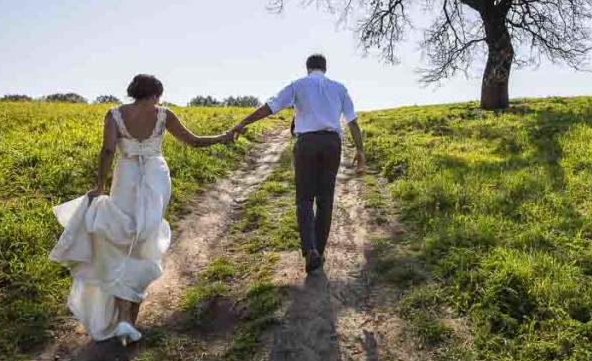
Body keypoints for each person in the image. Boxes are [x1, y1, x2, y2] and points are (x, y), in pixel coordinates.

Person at [49, 74, 234, 345]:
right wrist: (224, 137)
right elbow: (194, 141)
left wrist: (100, 185)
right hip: (156, 177)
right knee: (144, 238)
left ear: (133, 91)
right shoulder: (163, 114)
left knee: (124, 237)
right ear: (157, 93)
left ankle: (124, 319)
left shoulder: (114, 114)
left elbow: (108, 150)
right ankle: (127, 320)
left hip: (126, 176)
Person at [231, 54, 364, 274]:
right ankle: (319, 252)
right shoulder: (339, 88)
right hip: (332, 144)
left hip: (307, 143)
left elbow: (270, 106)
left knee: (304, 198)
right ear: (325, 68)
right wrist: (359, 150)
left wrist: (243, 122)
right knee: (325, 199)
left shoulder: (298, 86)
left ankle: (309, 250)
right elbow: (352, 121)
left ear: (307, 68)